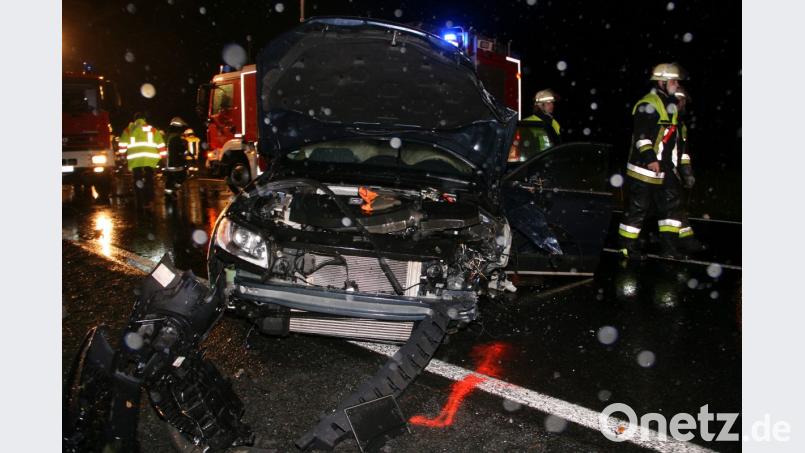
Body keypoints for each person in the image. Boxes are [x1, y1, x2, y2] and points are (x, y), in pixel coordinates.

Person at [618, 63, 690, 259]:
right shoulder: (648, 104)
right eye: (673, 81)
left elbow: (672, 141)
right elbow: (641, 137)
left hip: (664, 168)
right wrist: (650, 159)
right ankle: (627, 247)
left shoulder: (670, 105)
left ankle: (669, 249)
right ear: (661, 82)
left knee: (671, 207)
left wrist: (678, 168)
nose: (677, 84)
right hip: (644, 168)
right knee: (639, 208)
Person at [119, 112, 165, 207]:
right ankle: (149, 201)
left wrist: (122, 156)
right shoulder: (152, 130)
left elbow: (122, 144)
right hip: (150, 160)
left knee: (137, 179)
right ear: (144, 120)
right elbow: (160, 144)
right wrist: (163, 157)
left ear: (134, 120)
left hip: (135, 161)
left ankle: (140, 200)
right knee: (149, 179)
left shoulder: (129, 130)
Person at [164, 117, 190, 196]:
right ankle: (174, 190)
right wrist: (186, 152)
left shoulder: (168, 136)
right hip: (176, 164)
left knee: (170, 180)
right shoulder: (175, 138)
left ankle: (169, 194)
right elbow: (180, 149)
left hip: (168, 163)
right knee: (181, 177)